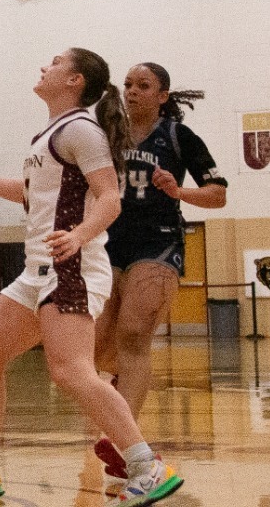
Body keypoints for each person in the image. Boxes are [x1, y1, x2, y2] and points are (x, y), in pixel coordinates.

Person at [0, 48, 184, 507]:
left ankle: (147, 467)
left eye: (56, 62)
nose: (44, 65)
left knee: (70, 371)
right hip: (37, 269)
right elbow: (30, 195)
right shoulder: (50, 135)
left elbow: (110, 197)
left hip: (70, 264)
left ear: (74, 80)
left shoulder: (81, 129)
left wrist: (81, 235)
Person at [86, 63, 229, 483]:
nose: (132, 91)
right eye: (128, 84)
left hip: (158, 241)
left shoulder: (179, 137)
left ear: (162, 95)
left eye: (143, 85)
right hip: (108, 241)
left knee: (134, 334)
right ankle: (118, 388)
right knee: (95, 345)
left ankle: (124, 443)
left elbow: (218, 195)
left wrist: (178, 190)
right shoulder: (106, 136)